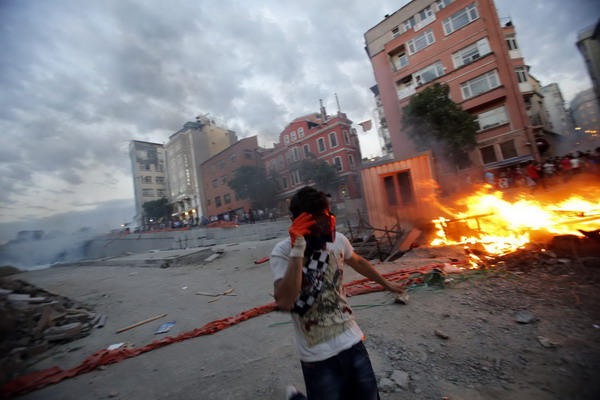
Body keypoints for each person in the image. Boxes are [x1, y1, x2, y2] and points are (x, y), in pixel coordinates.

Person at [270, 186, 406, 400]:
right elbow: (286, 301)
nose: (322, 229)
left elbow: (358, 262)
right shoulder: (282, 251)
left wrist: (386, 283)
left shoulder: (339, 240)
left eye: (325, 220)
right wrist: (298, 250)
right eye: (314, 223)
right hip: (317, 356)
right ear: (296, 221)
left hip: (352, 342)